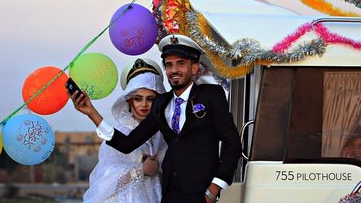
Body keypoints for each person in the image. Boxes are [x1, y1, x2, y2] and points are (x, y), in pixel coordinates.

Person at [72, 34, 242, 203]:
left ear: (195, 68)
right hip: (168, 194)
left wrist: (216, 185)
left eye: (181, 64)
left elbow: (231, 141)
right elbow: (127, 143)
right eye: (169, 65)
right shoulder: (161, 102)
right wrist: (92, 113)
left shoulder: (211, 95)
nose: (174, 70)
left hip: (202, 193)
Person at [82, 58, 167, 203]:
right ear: (129, 101)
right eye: (138, 99)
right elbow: (104, 182)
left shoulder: (165, 133)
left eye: (150, 99)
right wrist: (139, 170)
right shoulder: (119, 135)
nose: (144, 105)